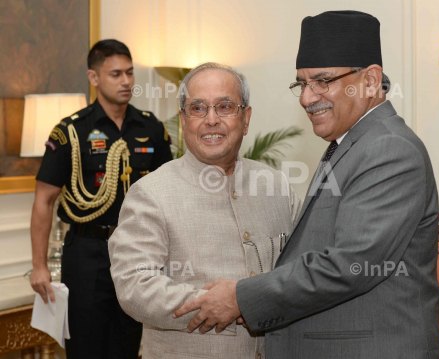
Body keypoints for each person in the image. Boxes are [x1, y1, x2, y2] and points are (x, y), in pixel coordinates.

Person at [174, 11, 439, 359]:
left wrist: (239, 297)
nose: (306, 98)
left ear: (370, 80)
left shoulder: (386, 147)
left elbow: (349, 265)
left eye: (322, 81)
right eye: (302, 84)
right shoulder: (352, 143)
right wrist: (406, 231)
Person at [108, 62, 302, 359]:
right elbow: (136, 286)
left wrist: (246, 300)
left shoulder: (276, 186)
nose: (211, 120)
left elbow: (304, 266)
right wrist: (216, 302)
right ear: (184, 119)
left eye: (225, 107)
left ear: (246, 118)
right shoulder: (151, 193)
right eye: (198, 108)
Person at [29, 39, 173, 358]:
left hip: (137, 251)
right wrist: (39, 265)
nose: (126, 82)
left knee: (127, 342)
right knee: (85, 345)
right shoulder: (70, 132)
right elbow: (44, 200)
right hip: (86, 252)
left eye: (130, 73)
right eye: (116, 74)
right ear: (94, 78)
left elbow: (169, 192)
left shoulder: (151, 128)